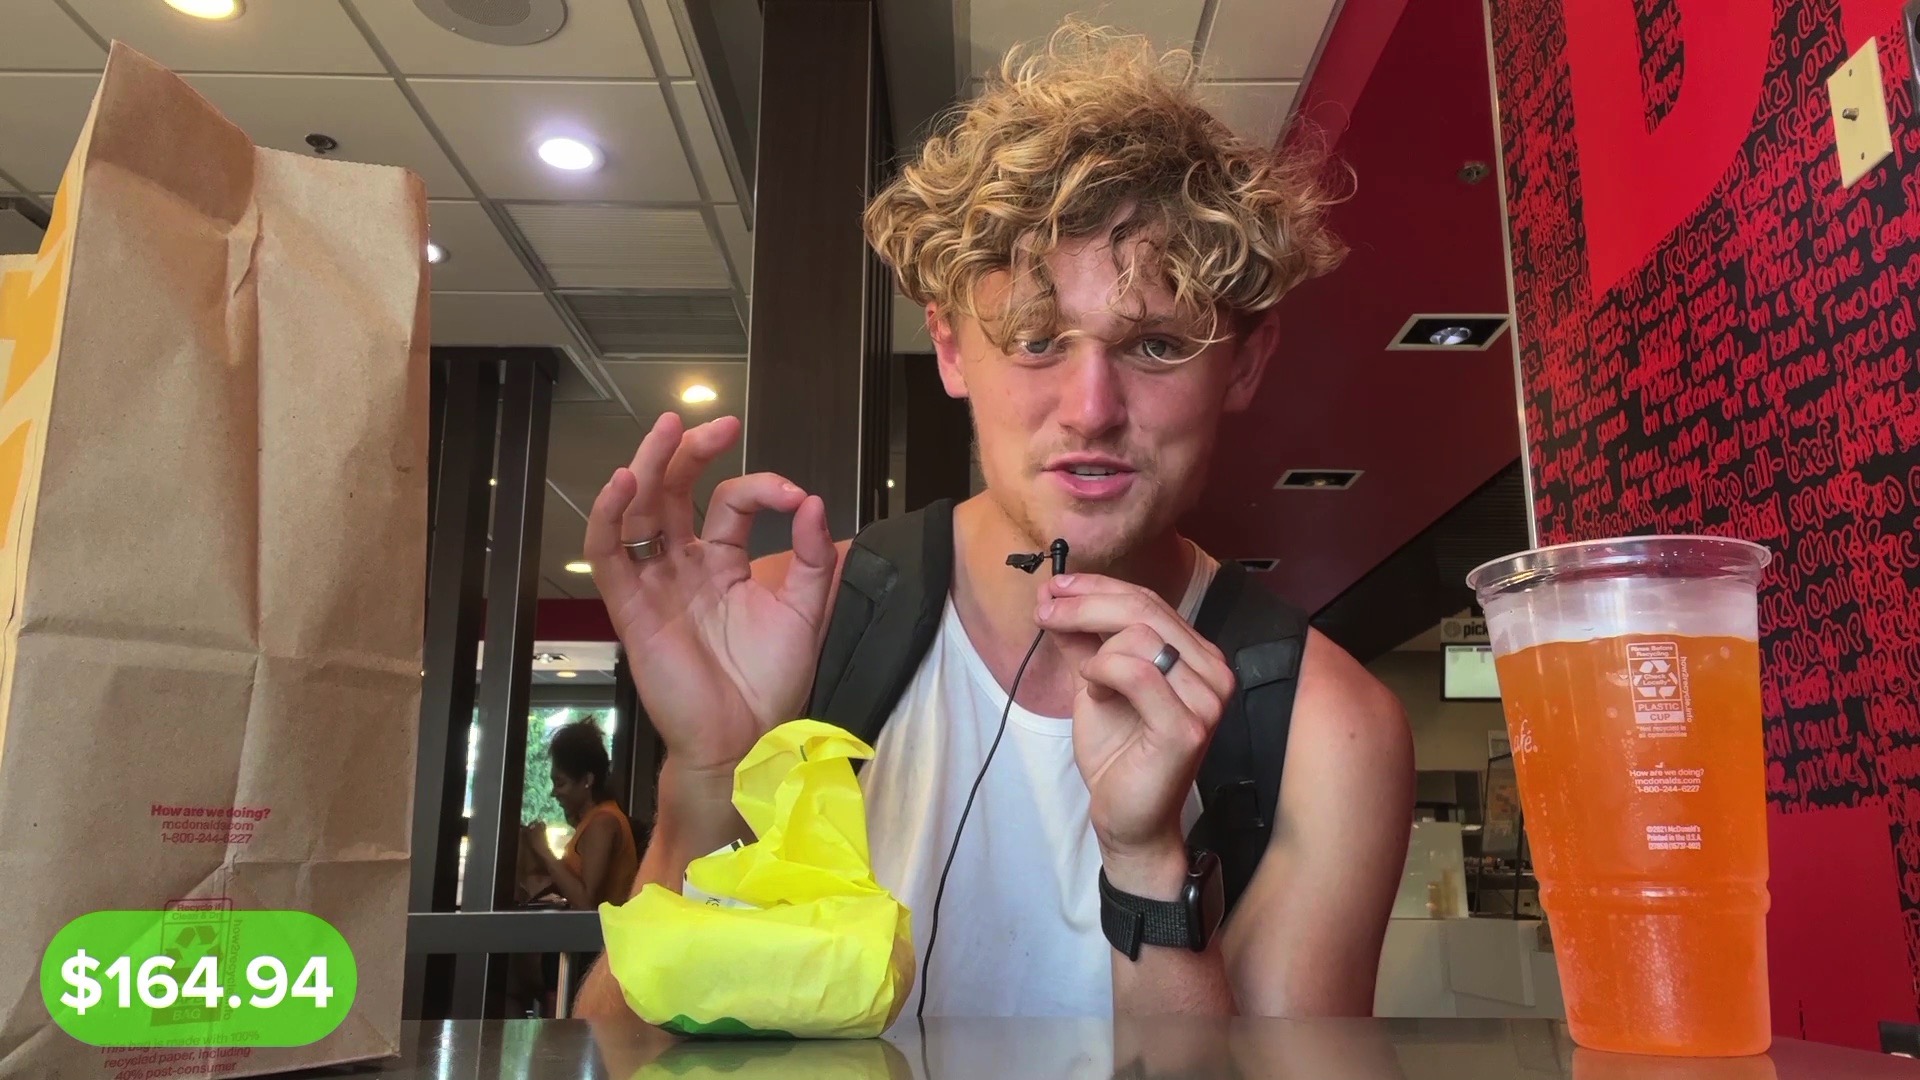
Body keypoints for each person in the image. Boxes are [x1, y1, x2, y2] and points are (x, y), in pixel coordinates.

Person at [575, 24, 1412, 1020]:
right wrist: (710, 781)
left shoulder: (1328, 730)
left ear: (1246, 365)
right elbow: (621, 1049)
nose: (1091, 410)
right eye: (1034, 338)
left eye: (1156, 344)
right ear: (950, 349)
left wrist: (1147, 859)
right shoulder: (796, 632)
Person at [521, 718, 640, 912]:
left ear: (587, 780)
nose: (553, 793)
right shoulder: (590, 821)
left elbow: (586, 904)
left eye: (561, 783)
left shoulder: (603, 823)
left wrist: (544, 851)